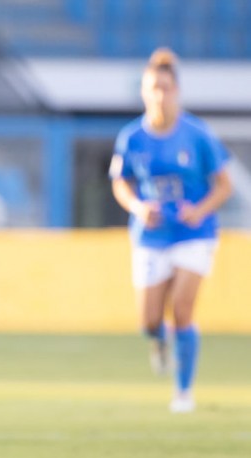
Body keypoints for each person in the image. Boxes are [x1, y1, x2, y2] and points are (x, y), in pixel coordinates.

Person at [109, 48, 232, 413]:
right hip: (151, 236)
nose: (160, 94)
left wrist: (200, 210)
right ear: (144, 92)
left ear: (176, 90)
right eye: (153, 88)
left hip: (194, 233)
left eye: (166, 87)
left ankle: (183, 392)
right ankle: (157, 341)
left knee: (182, 308)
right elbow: (121, 183)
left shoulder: (197, 135)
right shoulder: (131, 138)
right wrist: (138, 207)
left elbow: (224, 185)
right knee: (148, 321)